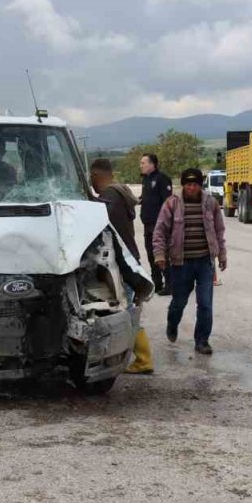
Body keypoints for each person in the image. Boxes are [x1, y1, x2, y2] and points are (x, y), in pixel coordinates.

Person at [152, 168, 228, 356]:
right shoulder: (171, 203)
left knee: (205, 304)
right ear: (183, 185)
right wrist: (160, 255)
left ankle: (202, 341)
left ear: (200, 185)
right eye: (188, 184)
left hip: (204, 263)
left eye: (194, 184)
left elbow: (219, 230)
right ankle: (172, 323)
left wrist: (222, 254)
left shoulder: (211, 203)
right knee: (179, 301)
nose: (191, 188)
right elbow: (160, 231)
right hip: (180, 263)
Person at [89, 159, 152, 375]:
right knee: (127, 309)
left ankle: (144, 360)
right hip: (128, 259)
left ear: (96, 175)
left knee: (125, 312)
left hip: (121, 264)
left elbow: (98, 227)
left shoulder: (109, 198)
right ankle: (141, 357)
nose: (90, 182)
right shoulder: (119, 193)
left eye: (91, 177)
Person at [139, 153, 173, 296]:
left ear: (152, 164)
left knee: (162, 254)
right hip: (148, 223)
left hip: (159, 225)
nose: (141, 165)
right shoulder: (146, 180)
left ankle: (171, 284)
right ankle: (157, 284)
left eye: (143, 163)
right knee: (151, 255)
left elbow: (168, 202)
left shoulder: (162, 179)